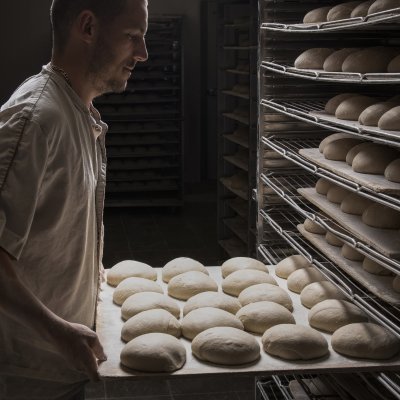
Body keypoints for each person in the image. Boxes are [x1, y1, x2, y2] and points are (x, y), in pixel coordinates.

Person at [0, 0, 148, 398]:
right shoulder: (35, 120)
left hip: (63, 364)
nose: (142, 54)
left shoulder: (78, 112)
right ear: (88, 27)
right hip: (27, 374)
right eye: (133, 37)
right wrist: (57, 330)